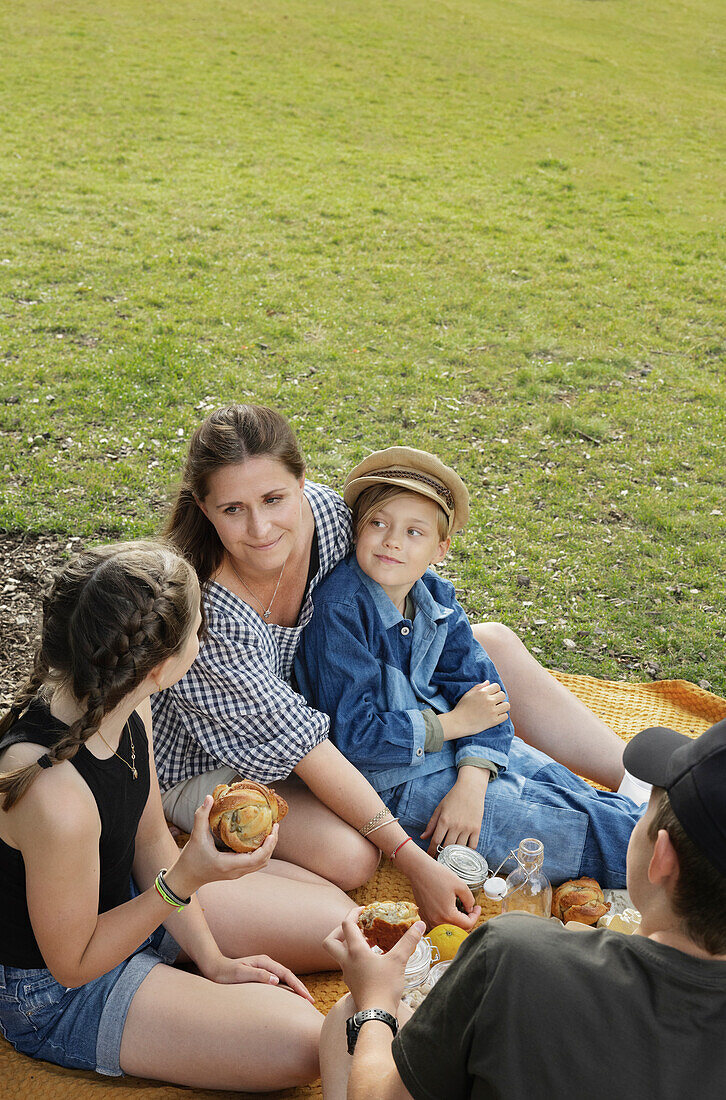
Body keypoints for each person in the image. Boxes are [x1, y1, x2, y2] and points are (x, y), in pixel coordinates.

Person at [153, 405, 628, 910]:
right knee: (353, 857)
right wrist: (412, 857)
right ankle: (217, 879)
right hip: (217, 757)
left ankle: (642, 783)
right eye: (233, 509)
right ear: (204, 508)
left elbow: (420, 602)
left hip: (326, 708)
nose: (262, 527)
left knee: (494, 646)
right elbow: (317, 747)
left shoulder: (334, 522)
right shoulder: (206, 612)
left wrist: (471, 765)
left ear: (301, 482)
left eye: (274, 498)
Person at [0, 541, 356, 1091]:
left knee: (342, 925)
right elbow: (73, 963)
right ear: (163, 668)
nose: (202, 640)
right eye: (198, 633)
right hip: (58, 988)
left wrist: (210, 957)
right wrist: (185, 881)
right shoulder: (55, 795)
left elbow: (150, 843)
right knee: (309, 1044)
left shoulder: (127, 699)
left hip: (133, 903)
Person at [319, 716, 726, 1100]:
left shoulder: (511, 953)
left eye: (645, 812)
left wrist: (375, 1002)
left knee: (349, 1015)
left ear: (663, 859)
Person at [294, 447, 643, 885]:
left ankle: (683, 830)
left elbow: (486, 695)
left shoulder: (436, 596)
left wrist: (473, 778)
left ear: (440, 549)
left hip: (464, 752)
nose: (392, 541)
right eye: (378, 523)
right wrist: (453, 725)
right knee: (595, 839)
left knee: (578, 795)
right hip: (394, 783)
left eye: (414, 532)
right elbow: (353, 738)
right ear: (357, 528)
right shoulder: (339, 609)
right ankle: (695, 865)